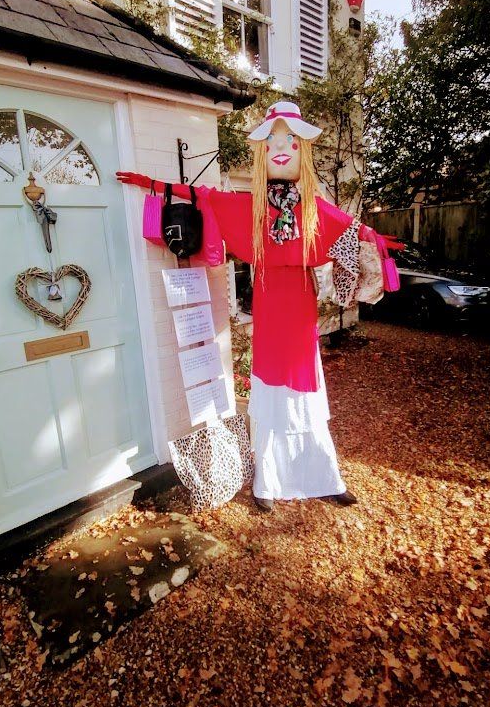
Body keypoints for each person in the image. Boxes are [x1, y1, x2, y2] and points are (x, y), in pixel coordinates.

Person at [117, 102, 401, 513]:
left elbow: (351, 228)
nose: (280, 147)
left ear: (300, 149)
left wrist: (378, 240)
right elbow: (207, 198)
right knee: (271, 394)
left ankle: (323, 476)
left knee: (304, 391)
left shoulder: (313, 207)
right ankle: (268, 481)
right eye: (271, 140)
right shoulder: (250, 206)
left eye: (289, 140)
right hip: (269, 303)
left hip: (300, 306)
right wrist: (156, 186)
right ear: (261, 152)